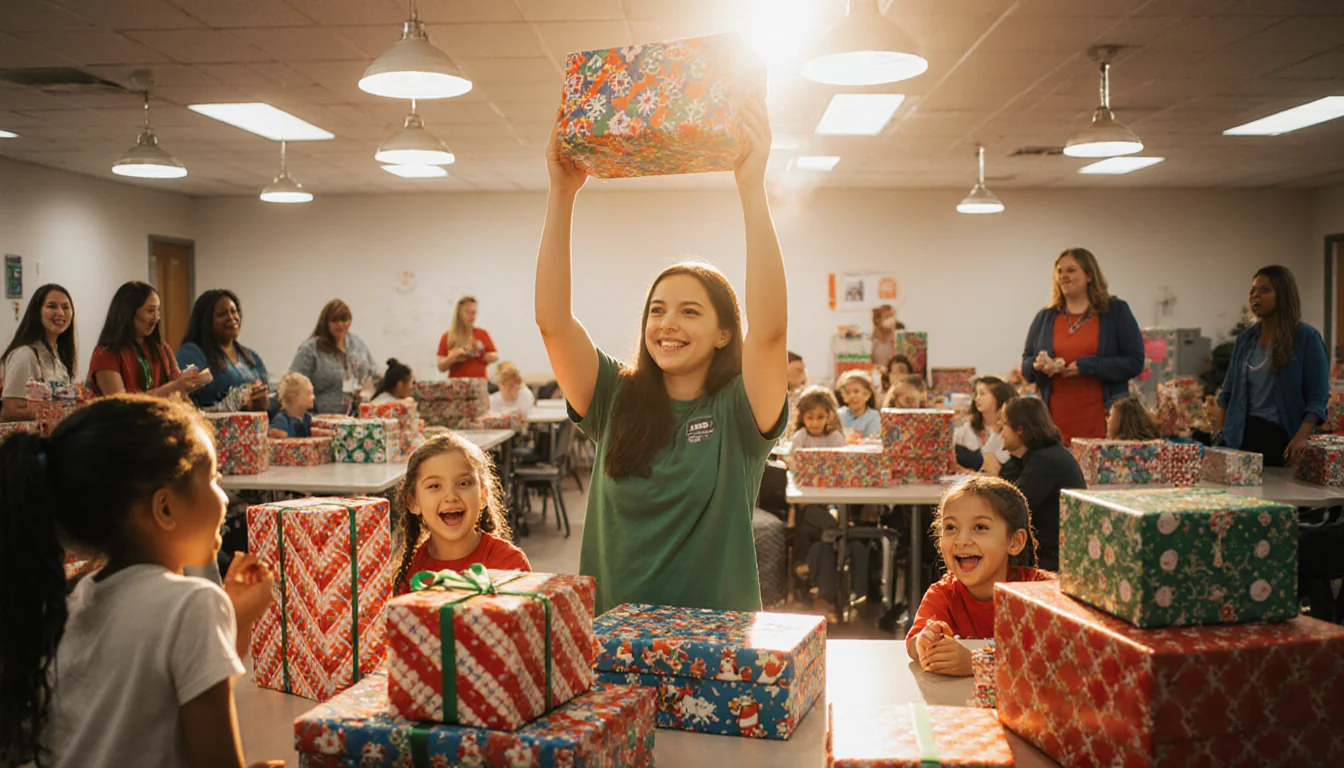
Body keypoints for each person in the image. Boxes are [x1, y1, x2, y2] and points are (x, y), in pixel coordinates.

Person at [536, 96, 786, 615]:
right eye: (657, 310)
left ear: (723, 334)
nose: (668, 324)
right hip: (614, 637)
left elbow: (769, 334)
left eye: (690, 312)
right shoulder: (612, 396)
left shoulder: (739, 412)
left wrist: (751, 188)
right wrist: (562, 194)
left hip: (716, 646)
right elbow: (553, 323)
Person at [0, 395, 282, 768]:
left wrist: (239, 619)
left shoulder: (73, 600)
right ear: (164, 508)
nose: (225, 496)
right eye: (213, 478)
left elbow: (164, 699)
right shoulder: (192, 604)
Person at [905, 476, 1054, 676]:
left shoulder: (1042, 591)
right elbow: (914, 642)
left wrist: (977, 662)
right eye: (950, 528)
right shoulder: (943, 594)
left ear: (1014, 542)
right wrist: (926, 642)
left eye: (980, 527)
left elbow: (1054, 656)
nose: (961, 540)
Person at [1020, 248, 1144, 447]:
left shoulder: (1115, 312)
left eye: (1071, 270)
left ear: (1088, 275)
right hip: (1054, 423)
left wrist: (1086, 367)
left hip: (1102, 421)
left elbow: (1134, 362)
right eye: (1059, 271)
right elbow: (1026, 365)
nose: (1064, 277)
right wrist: (1039, 365)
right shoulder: (1046, 317)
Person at [1209, 265, 1328, 467]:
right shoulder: (1245, 339)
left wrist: (1301, 438)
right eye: (1252, 291)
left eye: (1264, 290)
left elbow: (1318, 398)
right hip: (1240, 436)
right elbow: (1227, 394)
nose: (1256, 296)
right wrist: (1219, 436)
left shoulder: (1306, 338)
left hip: (1280, 437)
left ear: (1283, 294)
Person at [392, 432, 529, 593]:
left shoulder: (509, 564)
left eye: (464, 483)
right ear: (413, 502)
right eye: (435, 486)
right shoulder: (410, 570)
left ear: (483, 495)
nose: (451, 496)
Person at [996, 397, 1086, 571]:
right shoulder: (1044, 454)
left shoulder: (1046, 460)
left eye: (1005, 426)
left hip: (1055, 559)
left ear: (1020, 429)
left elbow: (1013, 507)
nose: (1002, 433)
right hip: (1055, 552)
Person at [87, 281, 211, 397]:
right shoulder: (106, 353)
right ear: (128, 313)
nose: (156, 318)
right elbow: (121, 405)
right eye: (150, 311)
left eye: (158, 311)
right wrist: (173, 387)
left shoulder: (162, 348)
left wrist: (190, 381)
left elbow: (176, 385)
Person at [176, 289, 269, 411]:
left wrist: (262, 399)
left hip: (254, 427)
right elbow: (181, 400)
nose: (231, 318)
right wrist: (233, 402)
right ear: (206, 321)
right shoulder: (192, 353)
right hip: (211, 427)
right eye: (222, 314)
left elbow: (267, 400)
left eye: (234, 311)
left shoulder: (251, 357)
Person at [1, 284, 76, 421]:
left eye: (65, 307)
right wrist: (56, 413)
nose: (60, 313)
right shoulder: (24, 354)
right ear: (37, 312)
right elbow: (9, 410)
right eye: (52, 306)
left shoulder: (60, 355)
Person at [289, 299, 378, 414]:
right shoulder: (310, 349)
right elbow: (294, 384)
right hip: (321, 416)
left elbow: (374, 372)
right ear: (326, 322)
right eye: (335, 320)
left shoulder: (356, 343)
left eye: (344, 319)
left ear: (350, 321)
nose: (340, 325)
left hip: (355, 415)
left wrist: (367, 391)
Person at [957, 376, 1016, 474]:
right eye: (976, 394)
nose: (977, 398)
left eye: (982, 394)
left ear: (998, 397)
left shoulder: (1008, 432)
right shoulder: (966, 429)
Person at [437, 296, 498, 379]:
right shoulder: (447, 337)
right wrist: (454, 355)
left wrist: (487, 356)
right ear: (459, 313)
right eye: (467, 312)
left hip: (479, 385)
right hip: (457, 386)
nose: (471, 316)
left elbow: (494, 355)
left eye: (473, 313)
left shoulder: (482, 334)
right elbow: (441, 367)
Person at [837, 369, 881, 439]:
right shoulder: (839, 415)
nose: (852, 396)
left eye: (856, 391)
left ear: (867, 395)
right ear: (843, 397)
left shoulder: (873, 416)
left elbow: (873, 439)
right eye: (847, 392)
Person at [269, 372, 314, 439]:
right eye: (309, 394)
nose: (313, 397)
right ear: (294, 398)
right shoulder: (281, 421)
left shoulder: (308, 419)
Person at [870, 304, 906, 372]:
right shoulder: (871, 341)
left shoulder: (898, 340)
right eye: (887, 317)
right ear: (878, 320)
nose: (891, 320)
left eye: (893, 316)